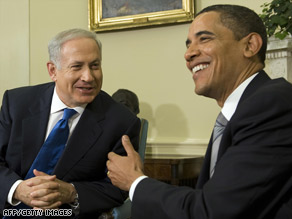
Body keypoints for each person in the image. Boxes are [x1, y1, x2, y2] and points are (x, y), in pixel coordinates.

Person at [106, 4, 292, 219]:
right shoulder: (239, 111)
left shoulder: (271, 104)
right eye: (188, 44)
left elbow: (213, 212)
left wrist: (135, 182)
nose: (189, 54)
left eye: (204, 39)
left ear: (250, 45)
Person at [0, 28, 141, 218]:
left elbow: (119, 189)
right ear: (53, 71)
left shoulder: (121, 122)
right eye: (77, 67)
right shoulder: (17, 103)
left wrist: (71, 192)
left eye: (95, 66)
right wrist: (17, 189)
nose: (88, 77)